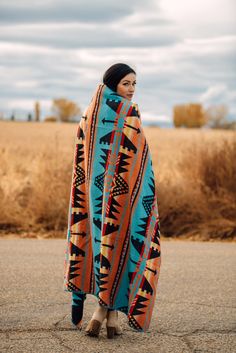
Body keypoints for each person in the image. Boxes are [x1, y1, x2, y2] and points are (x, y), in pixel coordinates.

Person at [63, 63, 161, 339]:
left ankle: (105, 314)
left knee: (101, 249)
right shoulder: (128, 113)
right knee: (118, 246)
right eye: (126, 84)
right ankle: (106, 314)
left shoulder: (89, 115)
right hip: (122, 197)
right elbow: (139, 158)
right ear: (112, 84)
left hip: (94, 201)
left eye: (134, 84)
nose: (131, 90)